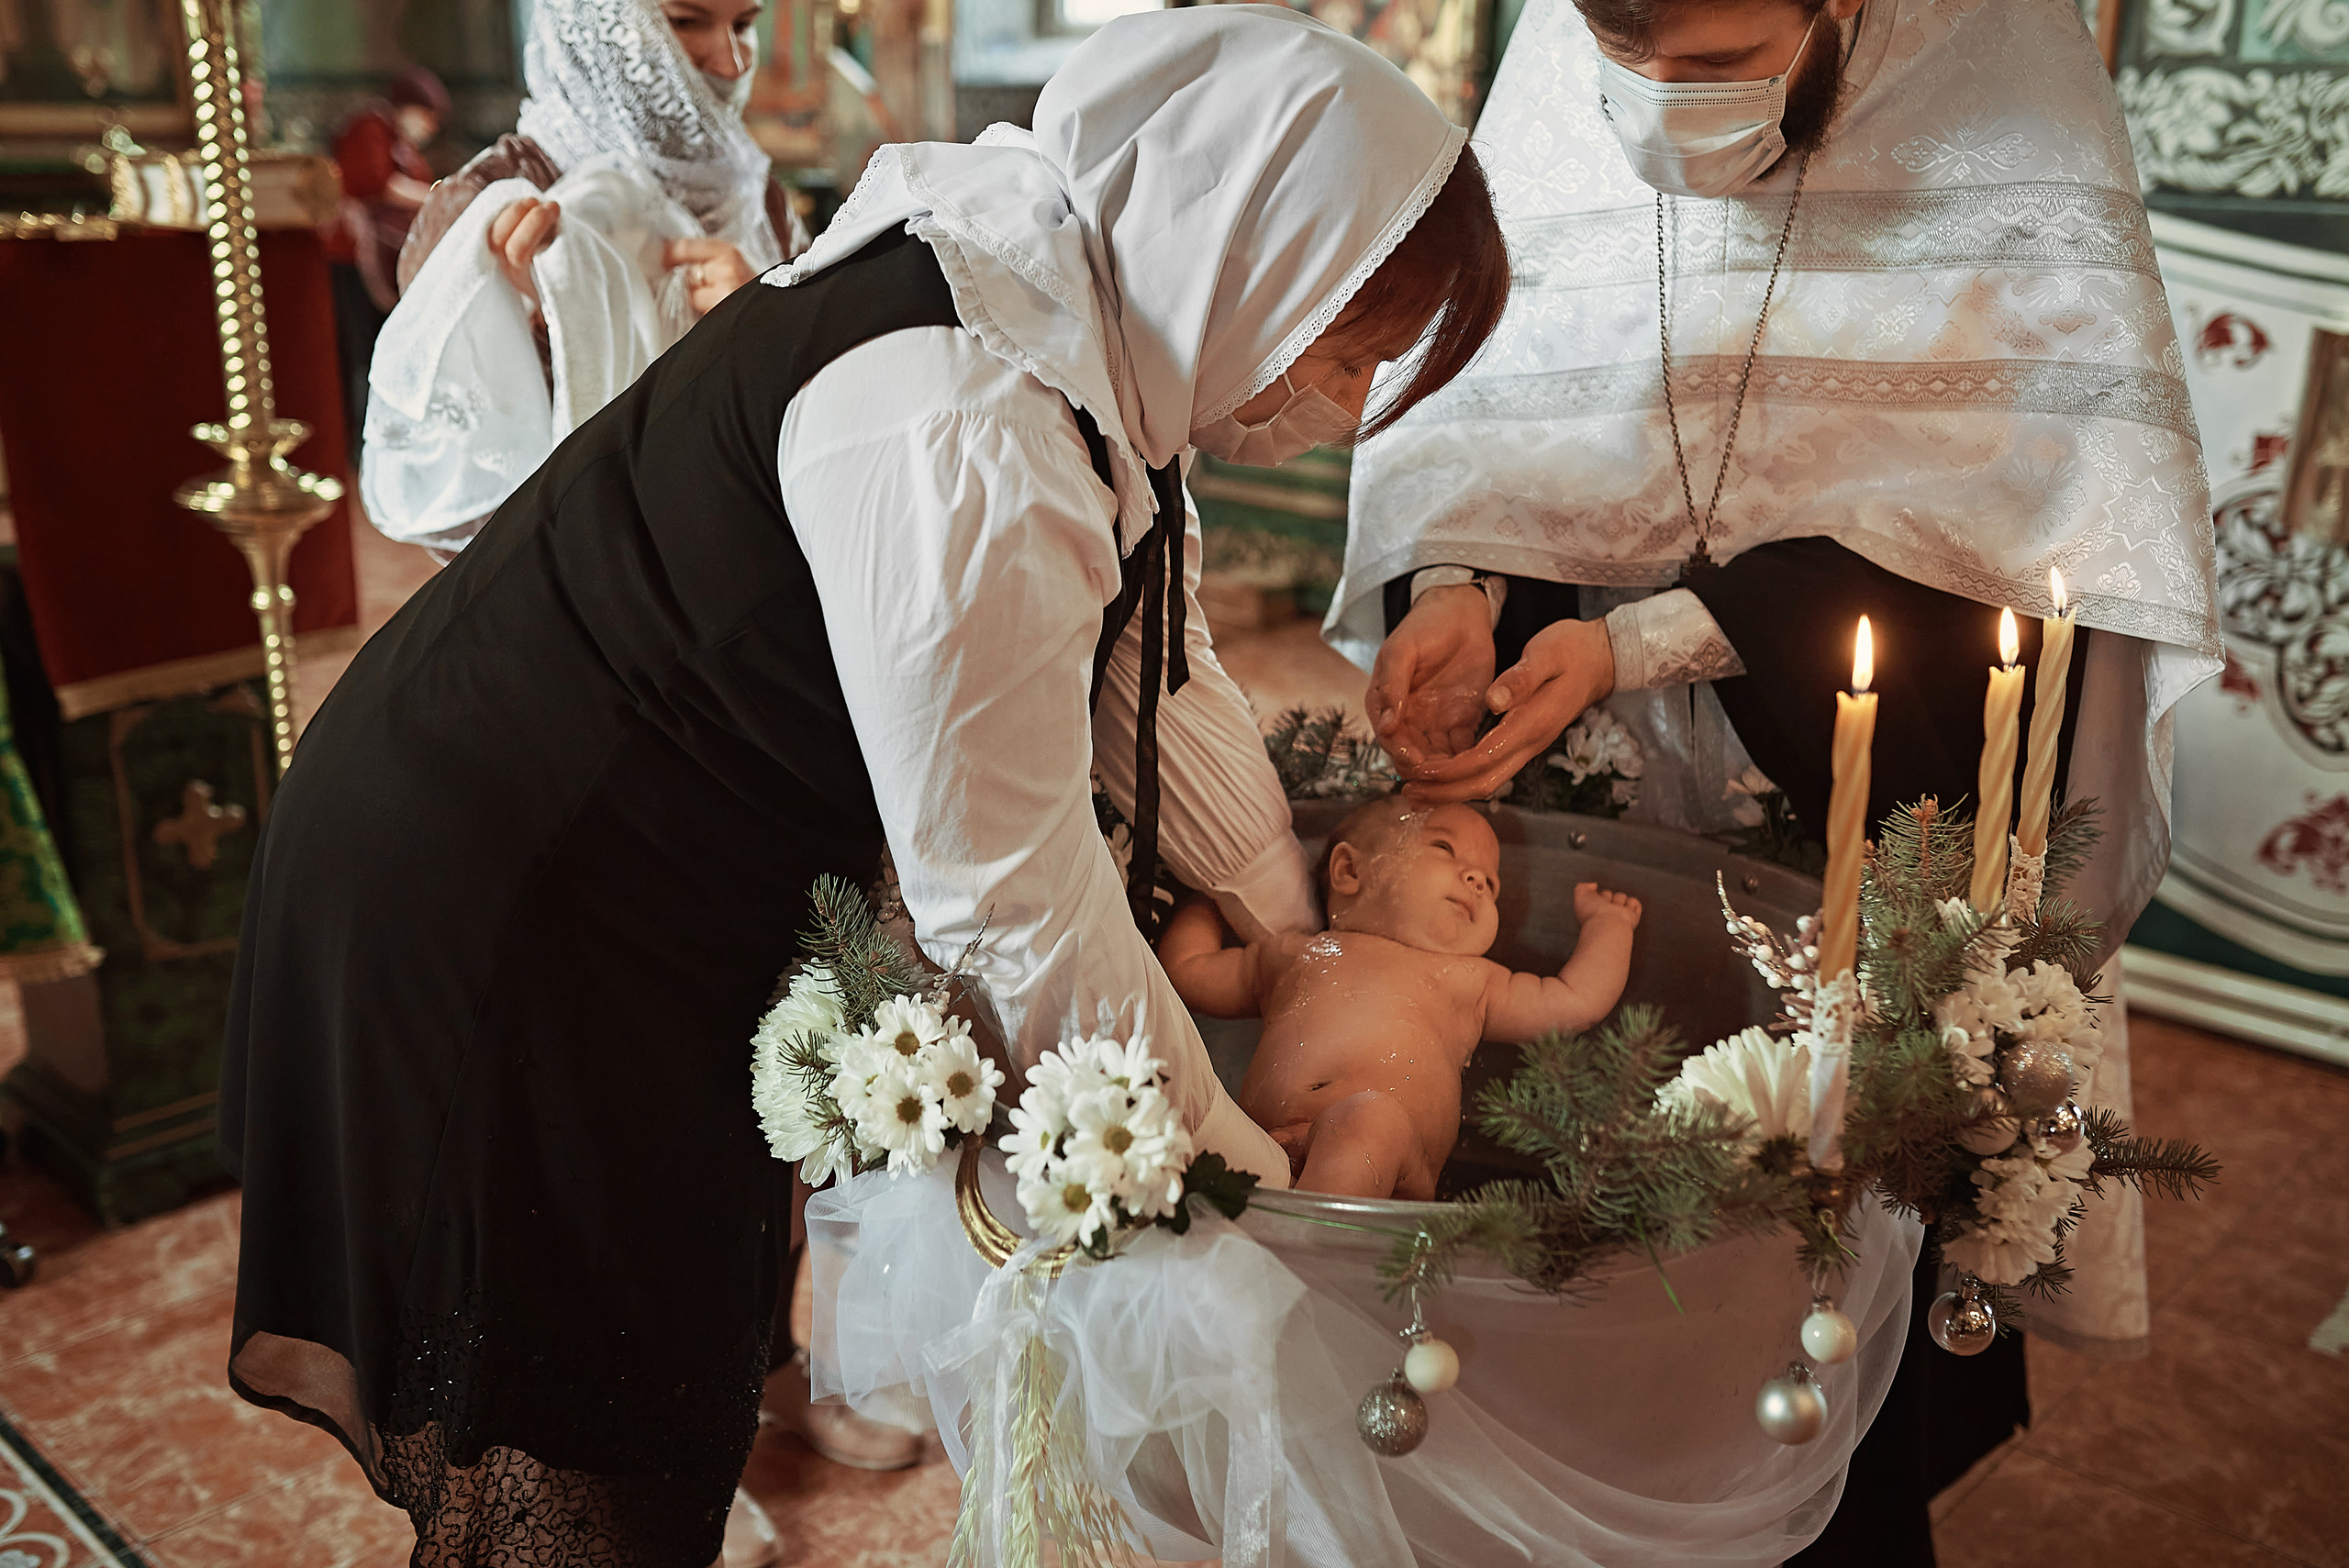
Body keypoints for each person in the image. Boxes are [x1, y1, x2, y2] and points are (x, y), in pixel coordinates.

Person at [218, 8, 1509, 1565]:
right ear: (1255, 247)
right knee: (584, 1440)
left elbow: (1149, 684)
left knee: (661, 1366)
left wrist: (1312, 951)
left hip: (614, 872)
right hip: (514, 900)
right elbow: (1010, 894)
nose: (1351, 406)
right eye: (1357, 351)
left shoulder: (1053, 306)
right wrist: (1249, 1195)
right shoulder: (968, 411)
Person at [1332, 0, 2221, 1557]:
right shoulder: (1557, 70)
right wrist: (1464, 580)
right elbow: (1502, 387)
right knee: (1566, 1277)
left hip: (1861, 814)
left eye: (1720, 56)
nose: (1668, 100)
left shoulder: (2004, 98)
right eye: (1634, 51)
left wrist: (1637, 645)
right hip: (1604, 807)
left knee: (1803, 1302)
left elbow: (2022, 540)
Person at [361, 0, 811, 558]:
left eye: (744, 24)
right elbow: (462, 498)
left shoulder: (753, 189)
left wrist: (765, 317)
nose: (733, 62)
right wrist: (546, 315)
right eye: (687, 22)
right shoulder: (491, 203)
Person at [1161, 796, 1641, 1198]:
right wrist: (1206, 892)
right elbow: (1188, 974)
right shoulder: (1291, 955)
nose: (1476, 879)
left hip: (1389, 1175)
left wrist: (1608, 928)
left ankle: (1302, 1263)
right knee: (1187, 1113)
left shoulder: (1473, 981)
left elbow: (1574, 1000)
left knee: (1371, 1120)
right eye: (1445, 849)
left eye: (1490, 882)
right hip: (1263, 1149)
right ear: (1350, 871)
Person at [323, 67, 448, 451]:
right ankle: (363, 445)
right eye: (427, 117)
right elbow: (374, 183)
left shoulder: (400, 142)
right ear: (410, 106)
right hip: (352, 261)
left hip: (388, 263)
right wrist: (437, 196)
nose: (428, 127)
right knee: (362, 353)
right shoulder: (370, 129)